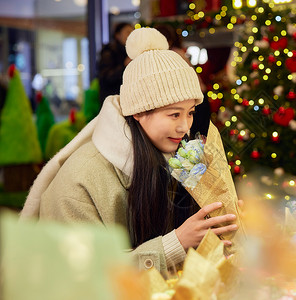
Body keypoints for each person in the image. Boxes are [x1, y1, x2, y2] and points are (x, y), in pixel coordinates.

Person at [20, 28, 239, 273]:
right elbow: (80, 272)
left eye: (190, 113)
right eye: (174, 114)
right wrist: (175, 243)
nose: (184, 127)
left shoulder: (178, 157)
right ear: (138, 111)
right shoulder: (81, 179)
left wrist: (216, 219)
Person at [154, 23, 211, 136]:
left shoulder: (172, 55)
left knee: (194, 142)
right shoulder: (175, 52)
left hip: (195, 102)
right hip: (196, 100)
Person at [98, 22, 134, 106]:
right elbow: (105, 77)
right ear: (117, 35)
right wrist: (124, 66)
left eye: (133, 32)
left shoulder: (130, 51)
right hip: (112, 102)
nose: (131, 35)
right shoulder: (109, 52)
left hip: (127, 100)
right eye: (128, 32)